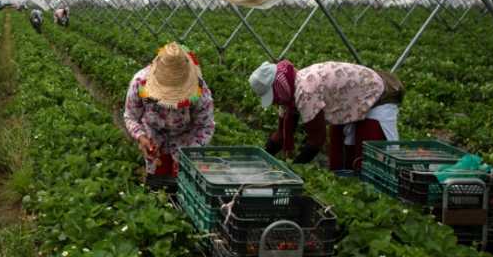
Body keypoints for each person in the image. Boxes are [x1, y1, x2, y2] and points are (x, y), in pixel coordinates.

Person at [249, 60, 404, 171]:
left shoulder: (306, 91)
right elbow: (280, 135)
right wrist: (258, 161)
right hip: (350, 103)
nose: (275, 101)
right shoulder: (289, 93)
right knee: (339, 156)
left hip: (376, 94)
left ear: (279, 87)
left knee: (368, 157)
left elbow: (316, 141)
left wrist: (293, 170)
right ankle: (350, 183)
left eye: (273, 96)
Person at [124, 43, 215, 181]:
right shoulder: (140, 84)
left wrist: (188, 154)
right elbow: (131, 116)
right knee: (158, 181)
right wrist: (142, 137)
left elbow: (205, 126)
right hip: (154, 138)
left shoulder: (198, 90)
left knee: (184, 185)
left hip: (186, 140)